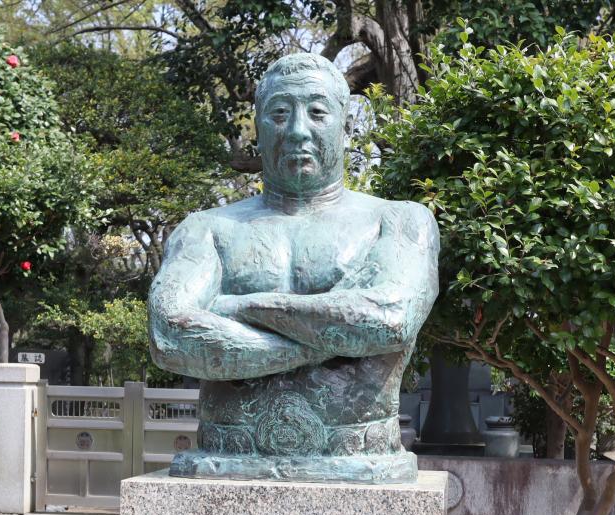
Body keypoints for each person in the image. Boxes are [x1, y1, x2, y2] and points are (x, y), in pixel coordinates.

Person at [148, 53, 439, 483]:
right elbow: (170, 335)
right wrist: (338, 338)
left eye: (317, 113)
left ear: (346, 127)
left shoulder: (398, 220)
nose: (298, 130)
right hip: (225, 456)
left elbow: (389, 321)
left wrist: (239, 306)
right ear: (259, 127)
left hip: (360, 457)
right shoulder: (207, 229)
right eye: (280, 114)